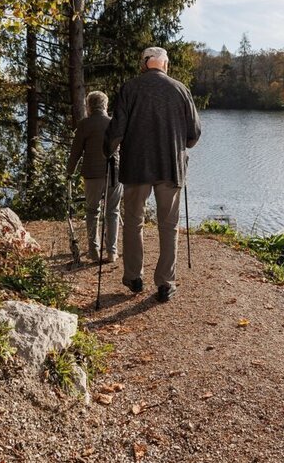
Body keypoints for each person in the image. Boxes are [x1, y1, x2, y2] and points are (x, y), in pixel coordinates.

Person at [106, 47, 201, 303]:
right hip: (170, 166)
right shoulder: (181, 90)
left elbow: (116, 132)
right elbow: (193, 135)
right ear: (164, 64)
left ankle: (133, 277)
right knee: (169, 226)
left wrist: (109, 151)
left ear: (144, 63)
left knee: (134, 221)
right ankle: (165, 283)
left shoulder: (130, 88)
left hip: (136, 166)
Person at [67, 91, 122, 263]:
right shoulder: (115, 123)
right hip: (114, 172)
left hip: (92, 174)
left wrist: (69, 172)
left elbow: (75, 152)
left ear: (89, 106)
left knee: (92, 211)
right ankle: (112, 252)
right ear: (105, 106)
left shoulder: (84, 125)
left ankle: (93, 251)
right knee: (113, 211)